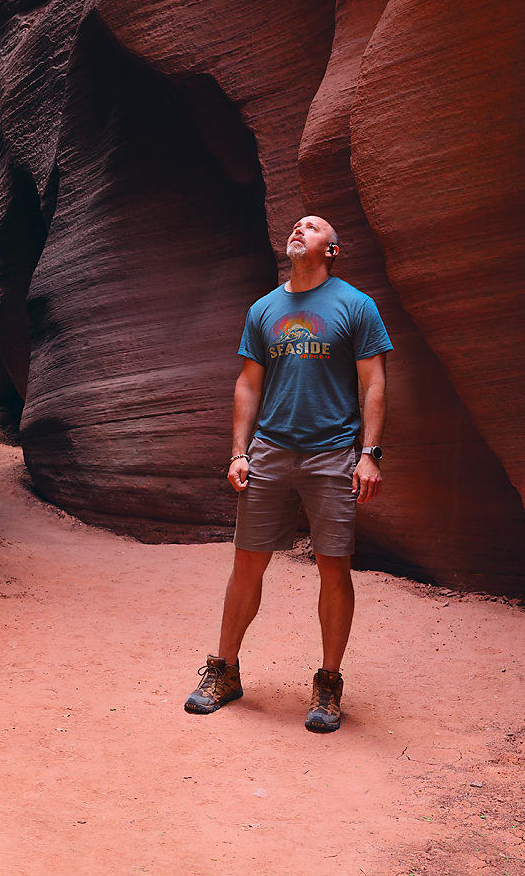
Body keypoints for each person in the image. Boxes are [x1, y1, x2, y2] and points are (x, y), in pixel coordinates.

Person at [185, 213, 392, 731]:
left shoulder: (356, 306)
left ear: (333, 249)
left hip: (332, 455)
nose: (300, 228)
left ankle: (328, 683)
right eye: (296, 224)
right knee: (247, 565)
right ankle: (225, 671)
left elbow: (374, 384)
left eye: (314, 226)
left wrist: (369, 453)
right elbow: (247, 385)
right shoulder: (264, 309)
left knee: (333, 568)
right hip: (271, 451)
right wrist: (238, 452)